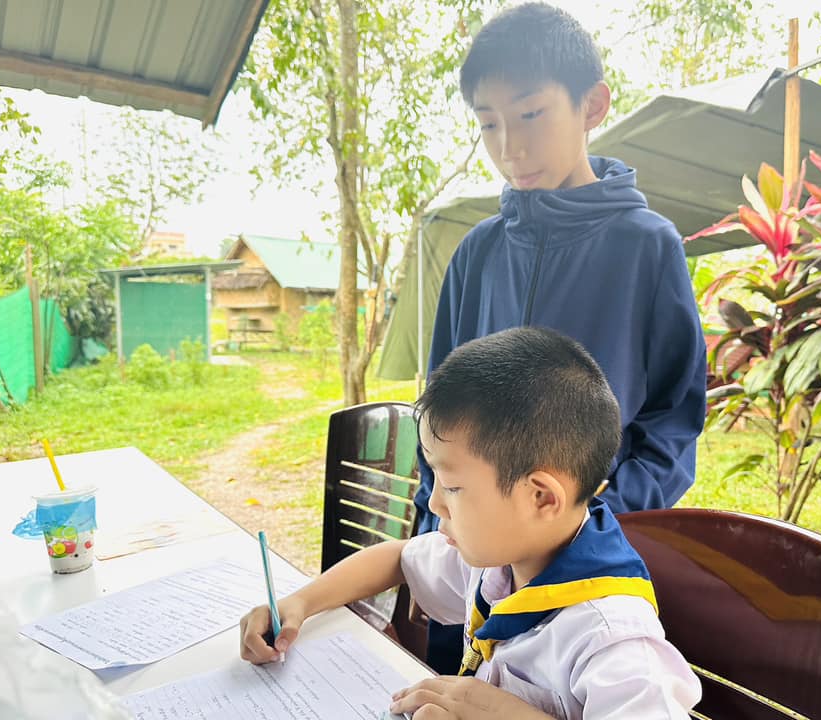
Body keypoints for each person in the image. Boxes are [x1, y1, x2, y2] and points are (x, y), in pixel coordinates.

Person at [415, 2, 707, 673]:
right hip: (475, 556)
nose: (509, 147)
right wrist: (441, 519)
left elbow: (675, 419)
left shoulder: (647, 246)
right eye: (488, 123)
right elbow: (437, 404)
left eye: (531, 114)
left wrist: (597, 512)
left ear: (592, 105)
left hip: (582, 560)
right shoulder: (477, 253)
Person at [240, 327, 701, 720]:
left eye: (454, 487)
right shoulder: (501, 560)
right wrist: (299, 603)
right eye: (434, 478)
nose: (435, 502)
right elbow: (398, 558)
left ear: (540, 497)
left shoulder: (613, 644)